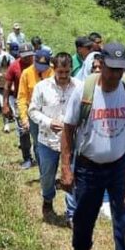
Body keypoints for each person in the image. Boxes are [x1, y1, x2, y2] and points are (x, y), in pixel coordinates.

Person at [59, 42, 125, 250]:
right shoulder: (84, 91)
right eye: (111, 69)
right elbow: (68, 130)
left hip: (120, 167)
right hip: (87, 166)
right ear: (101, 63)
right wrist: (66, 168)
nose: (115, 75)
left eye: (121, 70)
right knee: (84, 219)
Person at [28, 52, 78, 222]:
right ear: (53, 69)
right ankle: (48, 200)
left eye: (67, 72)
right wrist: (49, 122)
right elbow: (33, 111)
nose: (63, 76)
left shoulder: (79, 87)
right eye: (60, 72)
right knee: (47, 177)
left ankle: (72, 214)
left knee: (71, 177)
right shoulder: (42, 87)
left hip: (72, 143)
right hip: (48, 141)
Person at [3, 43, 36, 169]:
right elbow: (6, 86)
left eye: (30, 56)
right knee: (23, 131)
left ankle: (39, 155)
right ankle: (27, 157)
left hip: (37, 103)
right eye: (25, 57)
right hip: (20, 101)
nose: (28, 59)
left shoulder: (39, 66)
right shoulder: (14, 66)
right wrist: (5, 104)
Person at [18, 48, 54, 164]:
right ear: (34, 61)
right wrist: (24, 118)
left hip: (50, 114)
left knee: (51, 144)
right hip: (33, 114)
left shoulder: (53, 72)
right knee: (38, 144)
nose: (42, 70)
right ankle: (43, 171)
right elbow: (22, 97)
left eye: (44, 67)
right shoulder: (26, 73)